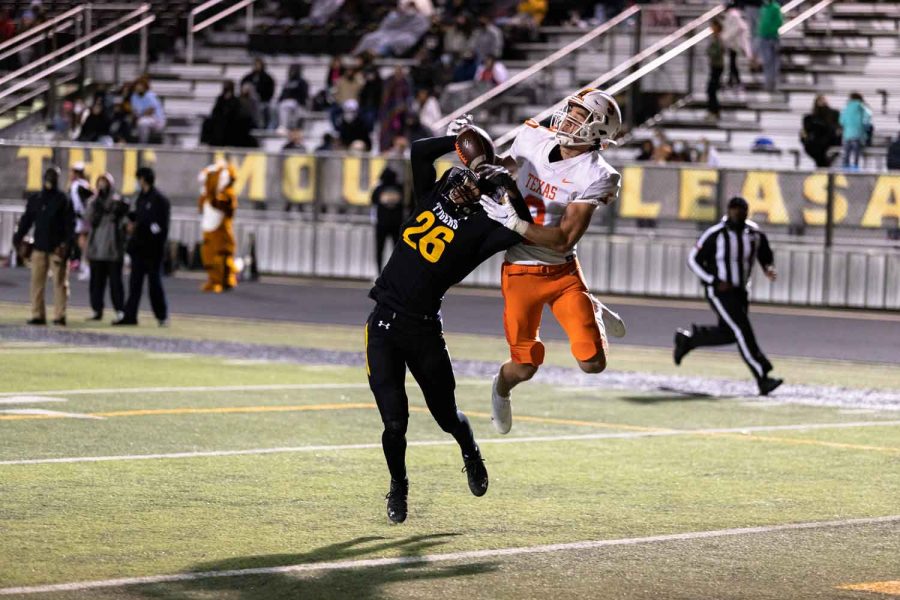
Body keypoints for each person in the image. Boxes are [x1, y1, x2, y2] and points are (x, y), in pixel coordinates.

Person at [367, 126, 532, 523]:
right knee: (394, 421)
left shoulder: (483, 230)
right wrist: (460, 140)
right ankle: (399, 485)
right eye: (465, 177)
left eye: (475, 185)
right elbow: (421, 151)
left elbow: (520, 224)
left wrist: (508, 185)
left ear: (487, 197)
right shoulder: (433, 193)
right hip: (384, 324)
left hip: (424, 331)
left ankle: (470, 451)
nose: (464, 186)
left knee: (446, 416)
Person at [475, 89, 627, 435]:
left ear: (598, 131)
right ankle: (500, 388)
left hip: (562, 271)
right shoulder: (533, 137)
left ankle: (592, 308)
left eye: (581, 116)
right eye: (571, 111)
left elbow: (564, 239)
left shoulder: (597, 174)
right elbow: (503, 168)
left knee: (592, 364)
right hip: (520, 270)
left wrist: (514, 223)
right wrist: (472, 149)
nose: (569, 118)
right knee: (525, 366)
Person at [673, 196, 782, 396]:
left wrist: (768, 268)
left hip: (741, 291)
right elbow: (693, 260)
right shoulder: (715, 234)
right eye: (735, 211)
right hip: (719, 292)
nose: (738, 215)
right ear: (728, 211)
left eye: (742, 211)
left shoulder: (754, 233)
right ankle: (762, 376)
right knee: (742, 330)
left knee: (731, 333)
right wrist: (713, 280)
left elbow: (765, 254)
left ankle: (689, 341)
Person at [12, 166, 75, 326]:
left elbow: (70, 225)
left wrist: (67, 245)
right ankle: (37, 314)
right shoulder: (37, 198)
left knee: (60, 284)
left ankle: (59, 315)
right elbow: (27, 220)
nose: (50, 180)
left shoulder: (63, 199)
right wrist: (18, 238)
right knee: (37, 283)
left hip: (56, 248)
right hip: (39, 246)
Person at [114, 167, 169, 326]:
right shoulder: (141, 198)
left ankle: (161, 316)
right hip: (138, 248)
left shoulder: (160, 200)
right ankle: (130, 316)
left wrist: (141, 227)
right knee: (134, 284)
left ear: (143, 179)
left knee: (154, 285)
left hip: (152, 250)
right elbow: (138, 216)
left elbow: (160, 227)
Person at [84, 173, 128, 322]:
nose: (102, 186)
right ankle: (97, 310)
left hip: (112, 248)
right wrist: (96, 204)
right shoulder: (94, 202)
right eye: (100, 182)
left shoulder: (117, 201)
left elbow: (125, 220)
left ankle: (120, 310)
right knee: (96, 283)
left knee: (116, 283)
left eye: (105, 182)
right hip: (96, 248)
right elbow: (87, 218)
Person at [198, 162, 239, 293]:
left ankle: (225, 280)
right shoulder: (206, 194)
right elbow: (201, 207)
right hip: (209, 229)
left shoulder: (227, 194)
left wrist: (211, 196)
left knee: (222, 255)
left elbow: (225, 206)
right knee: (208, 255)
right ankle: (213, 279)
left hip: (220, 231)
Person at [371, 166, 406, 272]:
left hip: (381, 223)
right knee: (397, 250)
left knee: (379, 249)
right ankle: (396, 271)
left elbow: (373, 200)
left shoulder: (379, 188)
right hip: (397, 223)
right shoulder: (400, 188)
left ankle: (378, 272)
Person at [800, 95, 840, 168]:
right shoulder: (810, 118)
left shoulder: (833, 114)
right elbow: (805, 132)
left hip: (828, 140)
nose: (822, 103)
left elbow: (835, 129)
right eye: (820, 101)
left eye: (823, 100)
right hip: (816, 142)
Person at [68, 162, 92, 281]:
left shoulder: (79, 185)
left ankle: (87, 267)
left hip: (82, 218)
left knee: (83, 243)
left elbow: (84, 202)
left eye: (72, 172)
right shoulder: (83, 184)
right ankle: (83, 265)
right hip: (81, 218)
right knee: (81, 243)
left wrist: (82, 215)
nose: (70, 174)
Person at [721, 4, 753, 88]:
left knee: (732, 62)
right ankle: (732, 80)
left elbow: (737, 28)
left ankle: (735, 80)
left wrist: (725, 37)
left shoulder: (733, 15)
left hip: (734, 43)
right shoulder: (735, 15)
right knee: (732, 62)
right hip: (733, 43)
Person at [839, 92, 872, 170]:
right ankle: (856, 168)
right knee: (856, 154)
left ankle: (845, 168)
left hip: (847, 135)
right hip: (858, 134)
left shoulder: (846, 107)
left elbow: (841, 121)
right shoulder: (863, 107)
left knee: (846, 153)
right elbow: (867, 118)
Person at [241, 58, 275, 128]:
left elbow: (270, 91)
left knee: (261, 107)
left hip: (262, 100)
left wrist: (263, 98)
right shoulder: (248, 77)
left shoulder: (267, 78)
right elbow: (242, 87)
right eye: (255, 65)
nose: (256, 66)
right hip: (249, 101)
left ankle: (260, 126)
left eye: (258, 65)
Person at [130, 79, 166, 143]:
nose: (138, 87)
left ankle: (143, 144)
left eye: (140, 86)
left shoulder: (150, 95)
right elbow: (134, 111)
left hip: (157, 120)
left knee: (142, 122)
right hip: (143, 119)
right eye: (137, 86)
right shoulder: (134, 96)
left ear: (145, 87)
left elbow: (151, 110)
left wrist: (139, 116)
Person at [757, 0, 782, 92]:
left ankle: (773, 84)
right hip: (763, 37)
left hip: (772, 38)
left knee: (773, 63)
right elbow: (761, 21)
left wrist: (770, 31)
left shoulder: (775, 7)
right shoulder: (763, 8)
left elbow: (779, 22)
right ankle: (767, 83)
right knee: (766, 62)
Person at [277, 64, 309, 132]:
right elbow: (283, 94)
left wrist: (299, 101)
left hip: (298, 103)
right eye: (291, 70)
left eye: (294, 70)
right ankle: (283, 126)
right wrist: (280, 100)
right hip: (287, 102)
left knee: (287, 105)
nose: (292, 72)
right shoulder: (287, 82)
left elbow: (304, 94)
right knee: (281, 105)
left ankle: (288, 126)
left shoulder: (302, 82)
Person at [706, 20, 725, 121]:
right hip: (714, 65)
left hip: (717, 66)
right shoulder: (714, 38)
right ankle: (713, 111)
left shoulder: (718, 39)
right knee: (710, 90)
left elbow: (716, 51)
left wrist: (710, 51)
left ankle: (714, 111)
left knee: (711, 90)